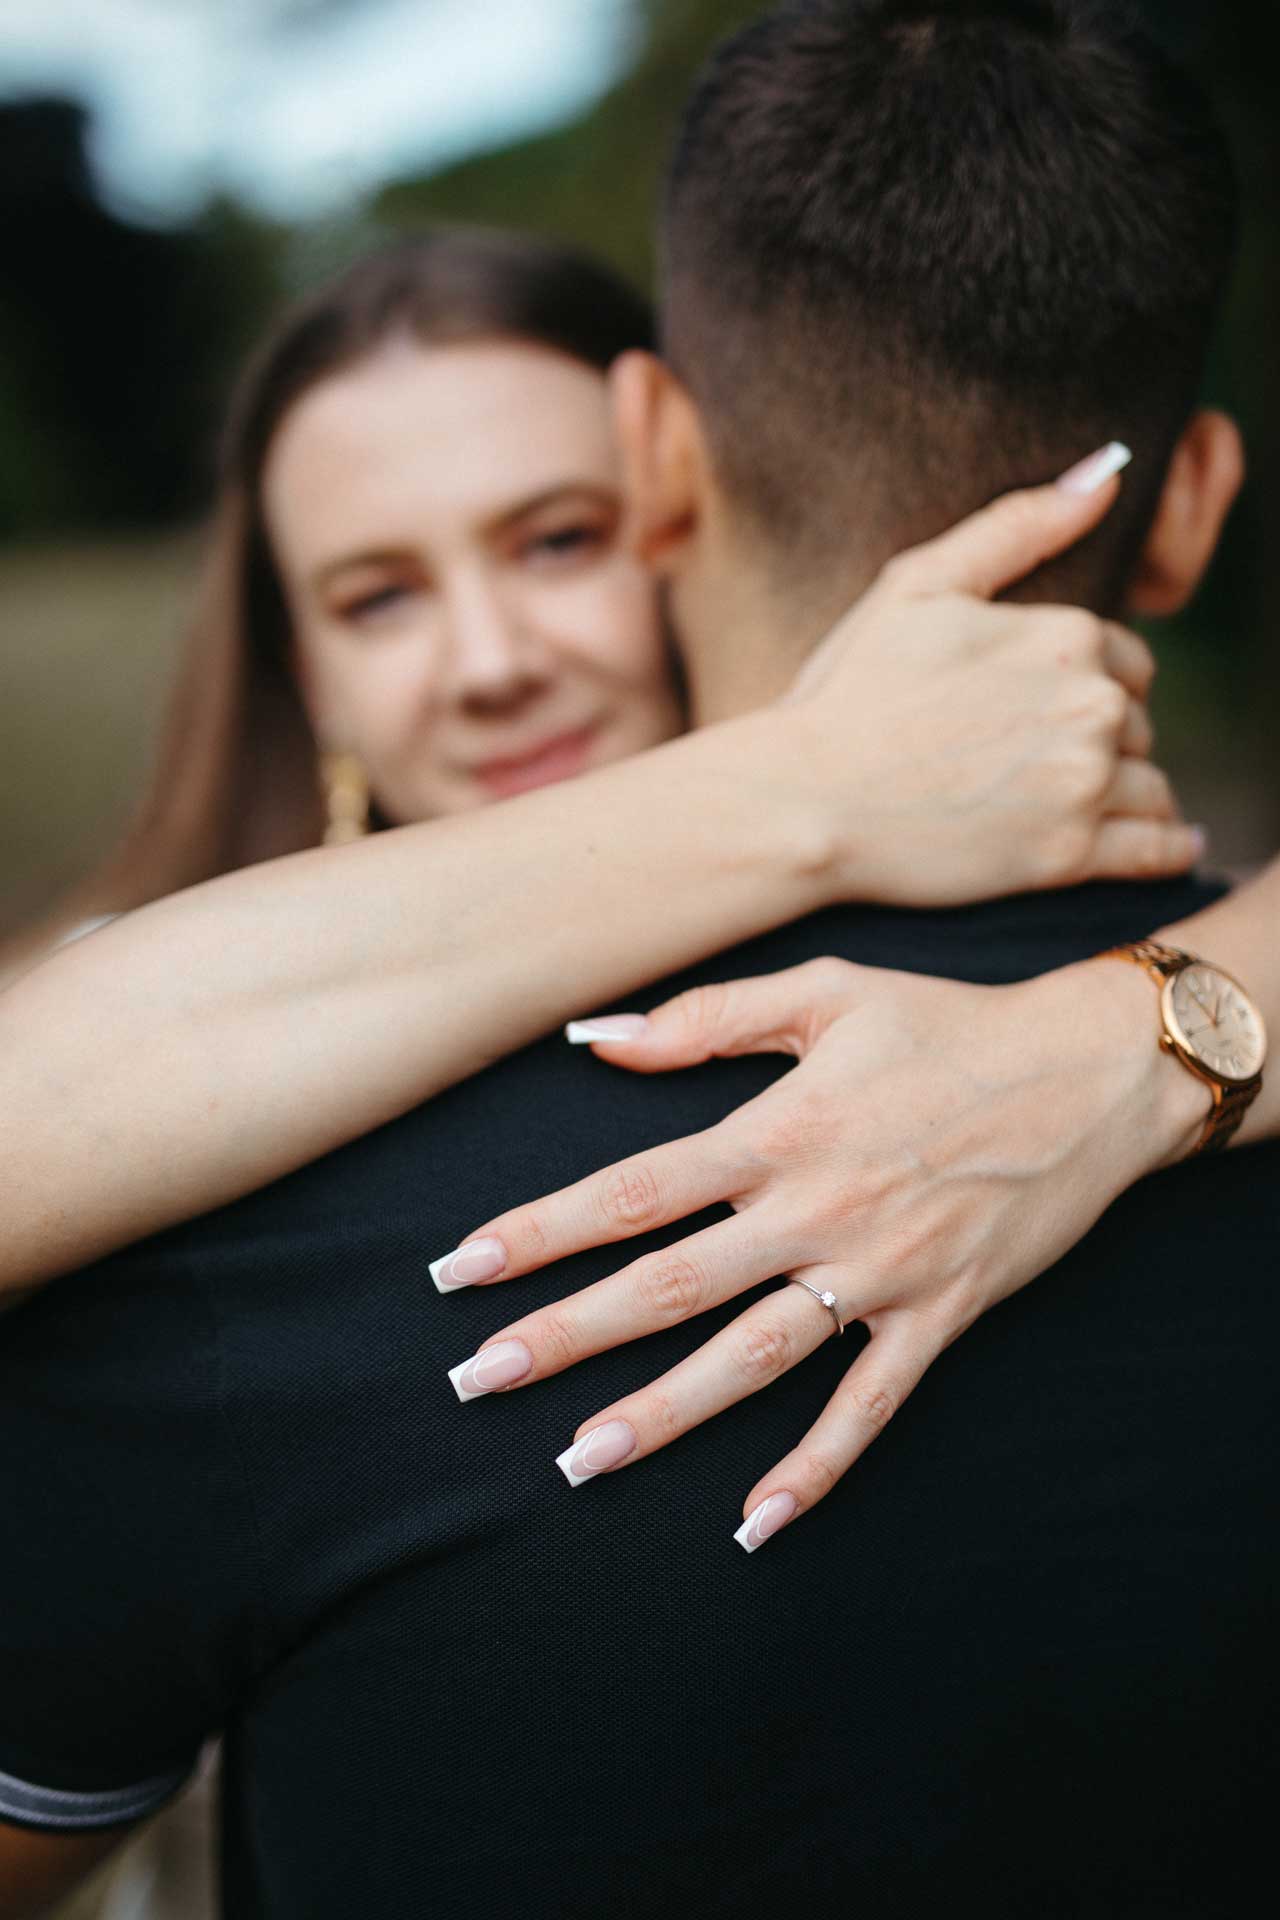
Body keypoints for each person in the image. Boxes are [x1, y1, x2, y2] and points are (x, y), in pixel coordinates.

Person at [1, 0, 1277, 1912]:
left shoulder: (234, 1275)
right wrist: (830, 787)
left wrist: (1141, 1049)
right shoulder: (173, 1142)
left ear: (664, 460)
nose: (496, 658)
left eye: (559, 535)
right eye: (376, 591)